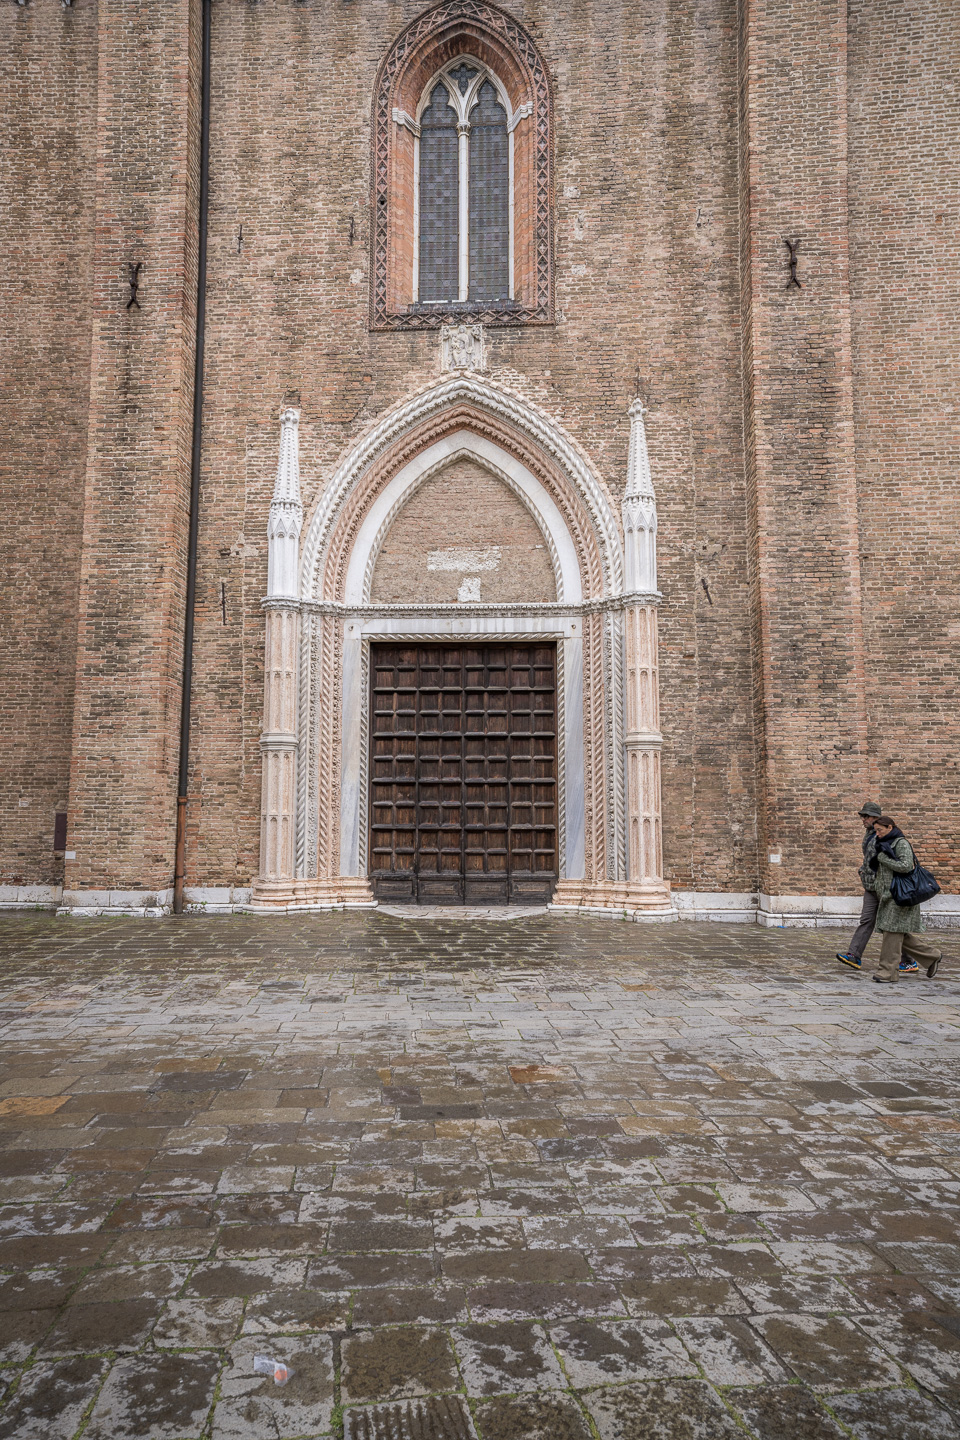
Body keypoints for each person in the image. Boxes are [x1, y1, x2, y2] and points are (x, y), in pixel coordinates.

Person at [868, 816, 942, 984]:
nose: (877, 834)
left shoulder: (900, 843)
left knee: (891, 932)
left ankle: (888, 971)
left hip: (900, 895)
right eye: (876, 830)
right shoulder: (884, 843)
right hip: (889, 896)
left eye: (880, 830)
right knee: (896, 933)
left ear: (890, 827)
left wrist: (883, 859)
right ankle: (932, 956)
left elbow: (906, 866)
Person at [836, 801, 907, 971]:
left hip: (884, 887)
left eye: (866, 816)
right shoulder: (869, 834)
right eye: (862, 816)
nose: (863, 819)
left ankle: (908, 960)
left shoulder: (884, 835)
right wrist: (862, 869)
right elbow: (869, 858)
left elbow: (891, 860)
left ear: (876, 817)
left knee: (892, 926)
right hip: (870, 887)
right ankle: (854, 955)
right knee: (866, 920)